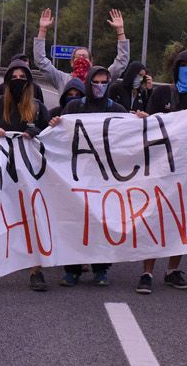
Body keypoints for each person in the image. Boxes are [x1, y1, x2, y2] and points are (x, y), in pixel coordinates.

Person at [50, 66, 135, 288]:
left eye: (104, 83)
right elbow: (62, 137)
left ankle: (100, 269)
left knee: (102, 221)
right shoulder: (74, 106)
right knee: (75, 222)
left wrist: (141, 121)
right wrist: (55, 126)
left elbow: (129, 135)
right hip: (77, 174)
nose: (99, 87)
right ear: (88, 83)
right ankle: (72, 270)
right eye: (95, 82)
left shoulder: (116, 109)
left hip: (104, 176)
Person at [137, 49, 187, 293]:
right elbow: (150, 124)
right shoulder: (162, 93)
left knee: (182, 219)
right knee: (154, 217)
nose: (186, 69)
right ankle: (147, 271)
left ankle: (172, 269)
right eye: (182, 64)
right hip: (161, 166)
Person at [0, 59, 51, 292]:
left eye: (22, 78)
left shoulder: (37, 106)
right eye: (14, 78)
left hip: (29, 172)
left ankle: (36, 270)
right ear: (7, 81)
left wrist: (34, 131)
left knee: (32, 215)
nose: (18, 81)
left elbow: (50, 137)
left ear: (29, 82)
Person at [33, 8, 130, 93]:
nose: (81, 59)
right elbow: (41, 61)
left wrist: (120, 31)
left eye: (85, 57)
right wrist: (42, 30)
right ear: (71, 62)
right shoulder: (62, 79)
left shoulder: (100, 79)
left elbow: (121, 62)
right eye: (78, 57)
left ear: (91, 63)